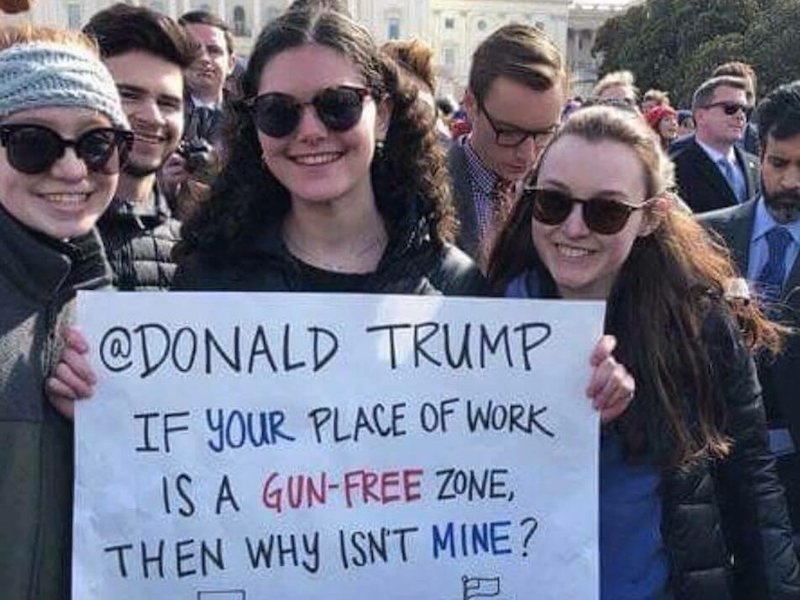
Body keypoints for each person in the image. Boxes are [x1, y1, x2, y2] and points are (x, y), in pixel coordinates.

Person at [49, 7, 635, 427]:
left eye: (337, 106)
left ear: (380, 116)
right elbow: (168, 446)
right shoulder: (209, 276)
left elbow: (498, 454)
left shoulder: (455, 285)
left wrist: (576, 403)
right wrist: (103, 407)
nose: (310, 132)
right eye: (278, 112)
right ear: (254, 128)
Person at [487, 105, 800, 599]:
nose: (573, 228)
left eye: (606, 211)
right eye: (552, 202)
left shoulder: (701, 324)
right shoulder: (480, 314)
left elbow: (752, 487)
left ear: (651, 218)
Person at [0, 25, 131, 600]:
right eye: (34, 144)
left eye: (98, 143)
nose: (75, 170)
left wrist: (114, 432)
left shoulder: (111, 310)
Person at [700, 80, 800, 550]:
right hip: (712, 471)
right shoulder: (704, 238)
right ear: (760, 153)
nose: (792, 181)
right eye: (780, 164)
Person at [83, 3, 197, 289]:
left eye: (168, 103)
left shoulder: (199, 247)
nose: (153, 117)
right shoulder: (32, 238)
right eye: (129, 95)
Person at [447, 23, 566, 267]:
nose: (528, 155)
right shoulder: (423, 187)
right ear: (471, 104)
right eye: (509, 132)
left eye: (544, 134)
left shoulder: (566, 193)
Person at [672, 76, 760, 213]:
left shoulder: (757, 166)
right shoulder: (675, 169)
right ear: (700, 116)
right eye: (730, 108)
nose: (740, 116)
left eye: (745, 110)